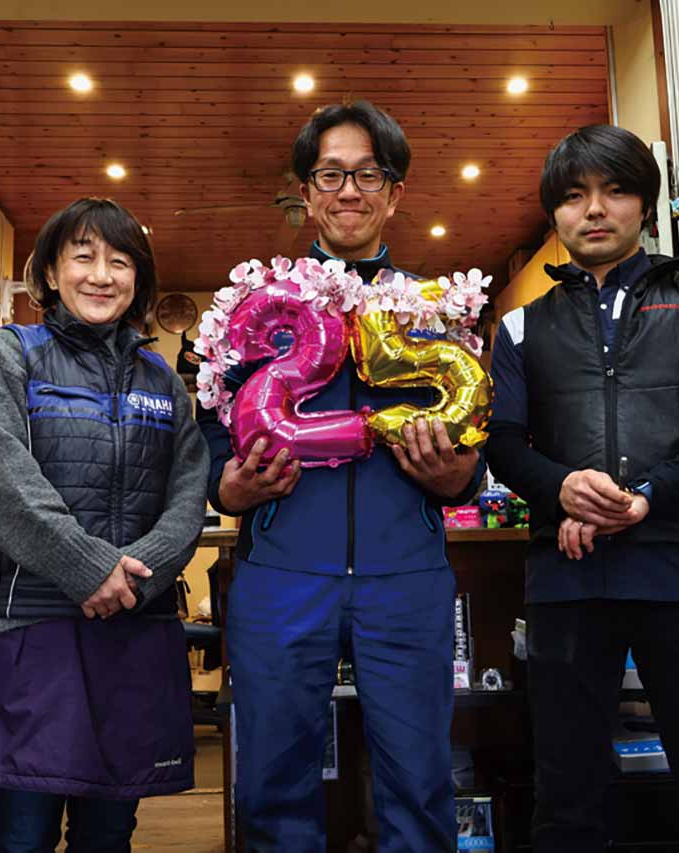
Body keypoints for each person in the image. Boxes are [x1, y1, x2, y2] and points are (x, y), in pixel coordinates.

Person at [198, 100, 485, 852]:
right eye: (331, 174)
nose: (349, 190)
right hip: (282, 573)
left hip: (406, 574)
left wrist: (455, 476)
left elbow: (473, 447)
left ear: (395, 193)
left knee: (419, 781)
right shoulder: (256, 310)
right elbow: (207, 440)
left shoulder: (434, 312)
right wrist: (229, 489)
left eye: (368, 174)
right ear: (305, 191)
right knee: (272, 782)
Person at [485, 124, 679, 853]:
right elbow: (502, 442)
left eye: (615, 190)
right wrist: (563, 488)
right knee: (567, 803)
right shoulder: (520, 327)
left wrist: (646, 495)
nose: (594, 209)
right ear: (554, 213)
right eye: (574, 195)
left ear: (645, 205)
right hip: (568, 584)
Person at [0, 197, 209, 853]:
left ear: (138, 280)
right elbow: (1, 480)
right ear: (51, 272)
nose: (101, 275)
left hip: (133, 632)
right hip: (31, 630)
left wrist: (134, 577)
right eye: (83, 257)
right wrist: (90, 568)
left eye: (120, 262)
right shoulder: (6, 355)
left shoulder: (162, 381)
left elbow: (188, 491)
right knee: (21, 834)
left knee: (109, 834)